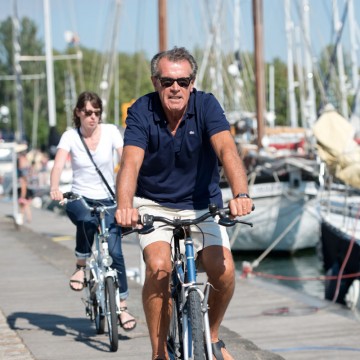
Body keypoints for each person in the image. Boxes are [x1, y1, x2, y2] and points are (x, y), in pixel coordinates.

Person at [115, 47, 253, 360]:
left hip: (202, 204)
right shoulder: (141, 111)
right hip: (155, 203)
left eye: (182, 81)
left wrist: (241, 195)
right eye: (167, 81)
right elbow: (130, 164)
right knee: (159, 267)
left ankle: (213, 336)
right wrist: (124, 205)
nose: (175, 87)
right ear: (155, 82)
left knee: (225, 271)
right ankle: (158, 353)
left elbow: (228, 152)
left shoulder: (206, 106)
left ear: (192, 83)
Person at [50, 91, 136, 332]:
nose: (93, 118)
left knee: (116, 253)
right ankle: (80, 267)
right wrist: (55, 187)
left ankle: (122, 305)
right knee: (86, 220)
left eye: (97, 113)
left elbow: (126, 159)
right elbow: (58, 164)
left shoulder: (110, 132)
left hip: (108, 198)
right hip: (80, 197)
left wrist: (132, 187)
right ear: (78, 112)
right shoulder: (70, 136)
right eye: (88, 113)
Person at [17, 148, 33, 223]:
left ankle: (22, 219)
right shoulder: (26, 161)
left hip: (24, 193)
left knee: (23, 206)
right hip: (28, 191)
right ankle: (27, 218)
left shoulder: (22, 176)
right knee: (26, 206)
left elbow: (23, 186)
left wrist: (22, 196)